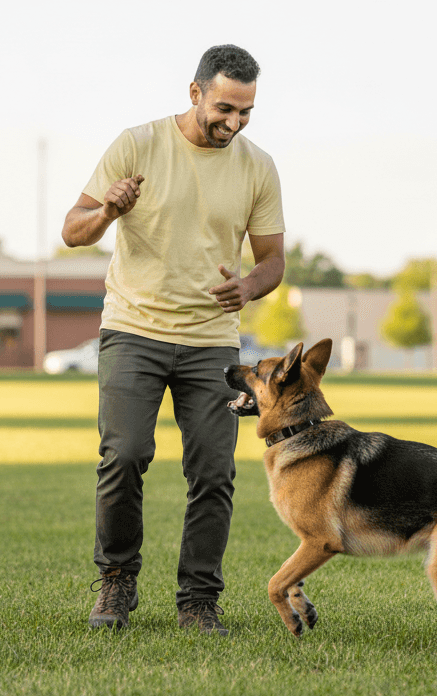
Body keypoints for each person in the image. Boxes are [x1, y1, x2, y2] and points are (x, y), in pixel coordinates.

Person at [60, 44, 285, 635]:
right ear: (195, 93)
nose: (233, 123)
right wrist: (110, 208)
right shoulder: (138, 144)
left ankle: (198, 600)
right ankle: (116, 580)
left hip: (212, 342)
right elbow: (73, 230)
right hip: (134, 329)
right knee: (124, 455)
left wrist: (249, 287)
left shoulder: (257, 166)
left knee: (214, 470)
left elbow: (272, 261)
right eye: (224, 108)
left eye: (246, 112)